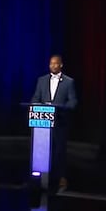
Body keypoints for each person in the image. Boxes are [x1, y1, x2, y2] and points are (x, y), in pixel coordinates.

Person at [30, 55, 78, 189]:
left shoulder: (69, 82)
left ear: (61, 65)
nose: (53, 66)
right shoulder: (41, 80)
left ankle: (61, 177)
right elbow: (35, 97)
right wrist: (36, 105)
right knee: (43, 150)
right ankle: (41, 175)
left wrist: (63, 108)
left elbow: (73, 101)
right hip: (43, 123)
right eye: (51, 63)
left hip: (60, 122)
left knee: (59, 151)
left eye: (55, 64)